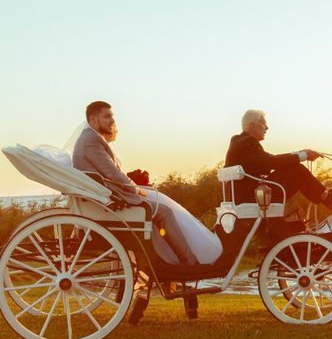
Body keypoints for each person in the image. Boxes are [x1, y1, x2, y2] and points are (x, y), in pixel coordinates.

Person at [72, 101, 222, 266]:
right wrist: (136, 189)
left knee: (161, 204)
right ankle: (186, 261)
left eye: (112, 116)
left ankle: (174, 259)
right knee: (164, 212)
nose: (112, 121)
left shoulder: (90, 138)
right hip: (111, 202)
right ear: (93, 119)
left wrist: (138, 188)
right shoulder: (91, 140)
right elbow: (112, 173)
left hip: (110, 197)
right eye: (107, 116)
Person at [225, 110, 332, 209]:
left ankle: (327, 195)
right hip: (254, 198)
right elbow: (271, 162)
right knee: (296, 171)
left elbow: (267, 162)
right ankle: (329, 199)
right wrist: (304, 155)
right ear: (252, 125)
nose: (267, 128)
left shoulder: (238, 141)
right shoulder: (248, 142)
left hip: (244, 196)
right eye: (264, 124)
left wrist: (300, 154)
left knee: (292, 167)